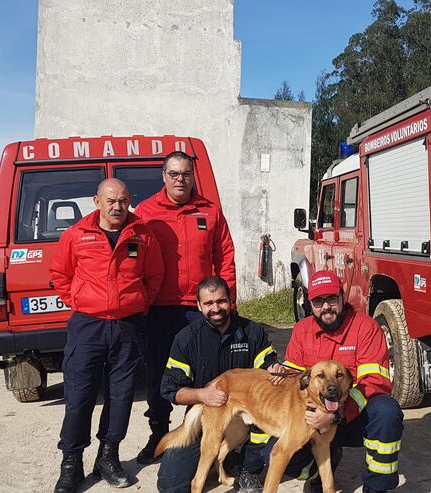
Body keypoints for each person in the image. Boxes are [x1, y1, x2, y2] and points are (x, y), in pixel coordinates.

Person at [49, 178, 164, 493]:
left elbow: (154, 276)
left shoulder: (142, 234)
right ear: (97, 202)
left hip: (128, 327)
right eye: (111, 200)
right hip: (88, 326)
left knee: (121, 396)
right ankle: (71, 465)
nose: (118, 206)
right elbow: (60, 274)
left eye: (124, 200)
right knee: (79, 396)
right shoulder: (76, 235)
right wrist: (80, 300)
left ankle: (108, 458)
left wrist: (138, 301)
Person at [132, 151, 237, 464]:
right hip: (159, 308)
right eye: (174, 174)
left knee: (208, 372)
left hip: (199, 310)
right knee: (158, 373)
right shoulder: (146, 211)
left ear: (193, 176)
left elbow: (225, 257)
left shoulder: (210, 211)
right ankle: (158, 433)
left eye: (186, 174)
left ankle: (205, 433)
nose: (180, 179)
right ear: (163, 176)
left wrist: (226, 301)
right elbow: (134, 258)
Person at [260, 270, 403, 493]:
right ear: (310, 304)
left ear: (342, 297)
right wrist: (281, 371)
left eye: (331, 299)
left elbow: (375, 382)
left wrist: (337, 415)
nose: (326, 307)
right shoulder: (301, 330)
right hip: (312, 417)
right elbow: (295, 379)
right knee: (271, 452)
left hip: (354, 415)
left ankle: (377, 487)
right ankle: (320, 472)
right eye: (318, 301)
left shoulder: (366, 328)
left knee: (386, 411)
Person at [155, 276, 283, 493]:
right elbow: (170, 390)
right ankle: (222, 456)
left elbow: (269, 368)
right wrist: (202, 395)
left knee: (269, 421)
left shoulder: (253, 332)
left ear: (231, 300)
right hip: (208, 412)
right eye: (208, 303)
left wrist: (275, 370)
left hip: (249, 414)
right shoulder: (186, 339)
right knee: (170, 485)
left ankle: (247, 469)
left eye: (221, 301)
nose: (216, 308)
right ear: (198, 305)